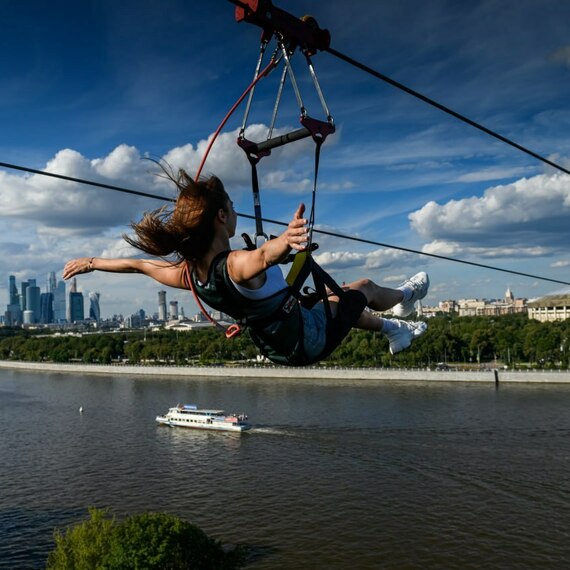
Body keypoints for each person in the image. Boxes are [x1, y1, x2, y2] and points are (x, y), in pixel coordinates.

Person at [63, 170, 429, 366]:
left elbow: (139, 265)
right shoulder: (236, 264)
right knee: (361, 287)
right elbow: (264, 256)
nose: (236, 211)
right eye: (233, 206)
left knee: (339, 301)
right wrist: (287, 239)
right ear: (222, 217)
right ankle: (407, 297)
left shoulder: (189, 274)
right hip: (306, 339)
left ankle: (395, 329)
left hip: (280, 344)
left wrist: (93, 263)